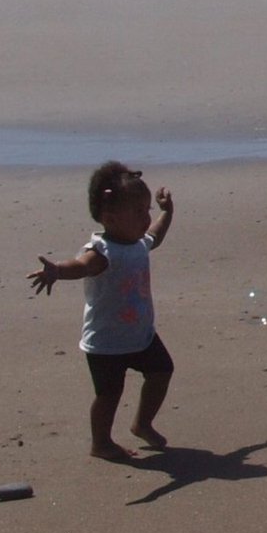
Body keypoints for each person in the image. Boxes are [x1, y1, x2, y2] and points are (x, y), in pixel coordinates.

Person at [28, 161, 175, 461]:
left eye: (147, 210)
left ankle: (142, 423)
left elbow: (155, 237)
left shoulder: (137, 243)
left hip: (141, 335)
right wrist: (57, 270)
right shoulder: (103, 252)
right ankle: (101, 442)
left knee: (161, 371)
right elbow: (81, 266)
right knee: (108, 395)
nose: (146, 218)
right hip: (106, 343)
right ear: (109, 218)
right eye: (138, 212)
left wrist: (166, 213)